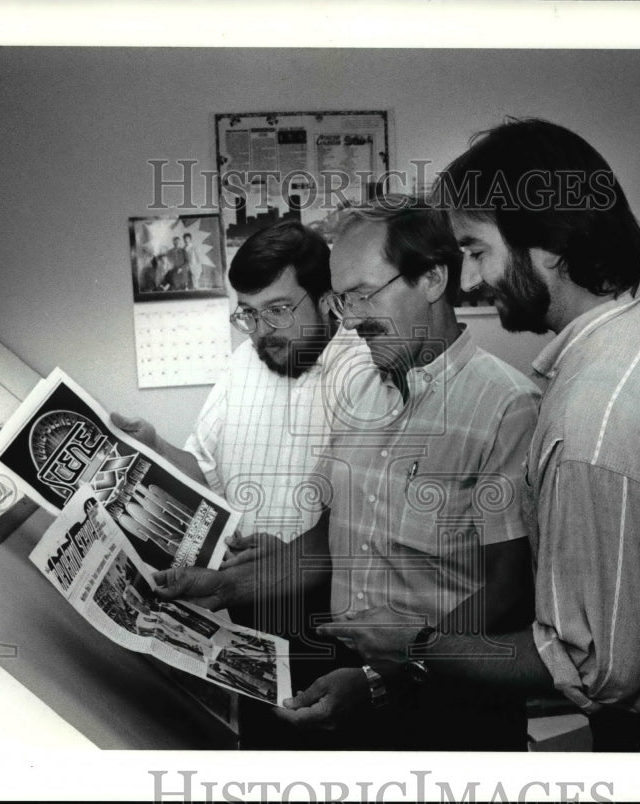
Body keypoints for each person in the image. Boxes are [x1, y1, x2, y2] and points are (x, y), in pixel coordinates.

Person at [327, 119, 640, 752]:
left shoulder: (593, 426)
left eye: (477, 251)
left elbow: (591, 671)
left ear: (548, 243)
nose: (468, 282)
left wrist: (412, 648)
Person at [154, 197, 542, 751]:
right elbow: (331, 541)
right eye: (340, 300)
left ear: (432, 278)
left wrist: (389, 676)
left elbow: (509, 592)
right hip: (351, 683)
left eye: (362, 295)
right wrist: (226, 586)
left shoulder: (507, 408)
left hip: (453, 707)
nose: (350, 318)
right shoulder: (360, 392)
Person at [114, 220, 370, 548]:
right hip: (241, 591)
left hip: (330, 595)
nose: (261, 332)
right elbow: (204, 474)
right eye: (249, 312)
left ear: (326, 301)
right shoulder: (243, 363)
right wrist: (155, 446)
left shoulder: (368, 372)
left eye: (278, 310)